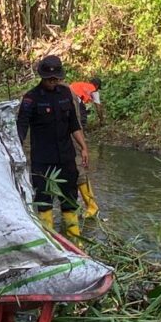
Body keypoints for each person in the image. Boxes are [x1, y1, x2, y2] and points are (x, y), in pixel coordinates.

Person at [17, 55, 89, 238]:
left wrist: (83, 147)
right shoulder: (30, 99)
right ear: (42, 77)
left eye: (56, 78)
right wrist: (16, 152)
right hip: (43, 162)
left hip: (66, 158)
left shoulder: (65, 95)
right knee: (43, 201)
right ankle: (48, 240)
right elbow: (21, 128)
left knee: (70, 200)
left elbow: (74, 124)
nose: (52, 81)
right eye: (49, 79)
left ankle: (75, 240)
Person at [68, 78, 103, 219]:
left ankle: (90, 206)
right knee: (80, 122)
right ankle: (89, 206)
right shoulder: (94, 91)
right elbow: (98, 106)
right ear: (98, 86)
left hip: (70, 101)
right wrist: (102, 120)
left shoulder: (79, 84)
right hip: (75, 103)